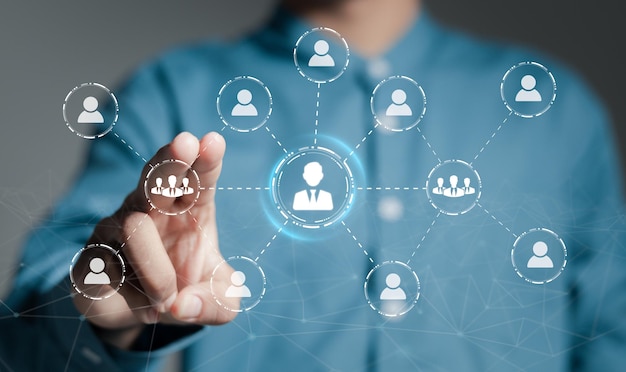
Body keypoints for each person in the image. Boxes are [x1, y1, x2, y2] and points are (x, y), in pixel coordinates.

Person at [1, 0, 625, 371]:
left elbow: (613, 330)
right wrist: (107, 320)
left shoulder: (556, 108)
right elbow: (33, 323)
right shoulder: (171, 92)